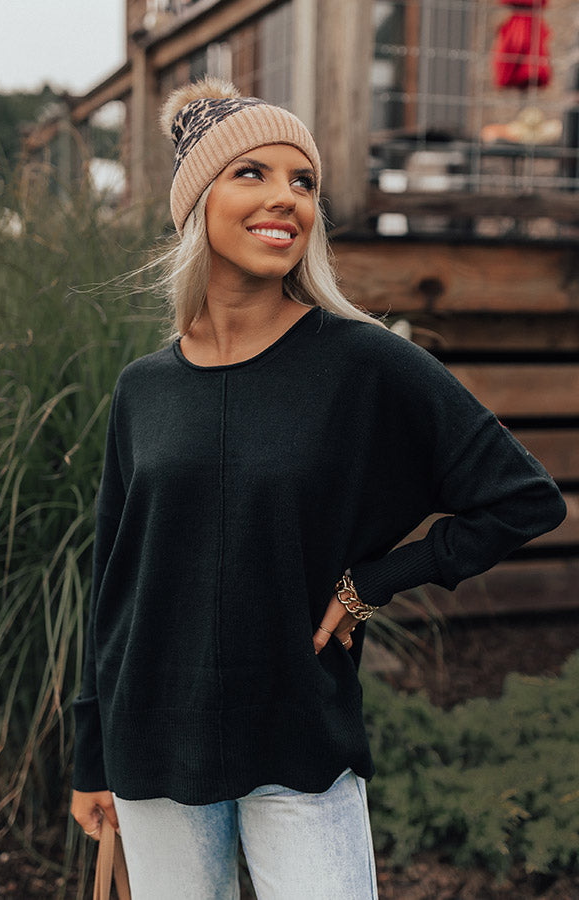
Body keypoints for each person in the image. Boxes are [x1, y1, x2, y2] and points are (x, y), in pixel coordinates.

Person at [70, 77, 566, 900]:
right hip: (150, 743)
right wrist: (91, 757)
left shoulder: (361, 362)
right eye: (252, 173)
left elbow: (524, 497)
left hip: (298, 742)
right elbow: (112, 583)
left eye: (303, 181)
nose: (288, 198)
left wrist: (374, 581)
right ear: (197, 202)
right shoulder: (143, 389)